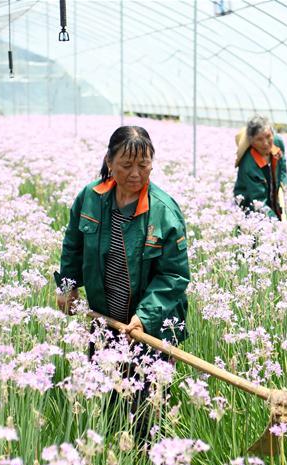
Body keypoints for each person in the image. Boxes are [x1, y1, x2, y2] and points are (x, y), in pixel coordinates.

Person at [54, 125, 190, 442]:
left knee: (146, 411)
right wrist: (67, 286)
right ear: (109, 162)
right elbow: (72, 246)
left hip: (149, 327)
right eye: (126, 165)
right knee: (108, 401)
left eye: (143, 165)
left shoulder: (163, 211)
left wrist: (145, 316)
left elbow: (174, 276)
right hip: (105, 320)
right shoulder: (90, 198)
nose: (135, 173)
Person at [234, 115, 287, 220]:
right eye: (259, 139)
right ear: (251, 142)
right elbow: (258, 201)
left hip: (271, 193)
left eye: (268, 136)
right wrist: (277, 223)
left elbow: (282, 164)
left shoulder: (278, 142)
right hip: (249, 203)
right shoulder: (249, 164)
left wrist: (283, 180)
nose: (265, 143)